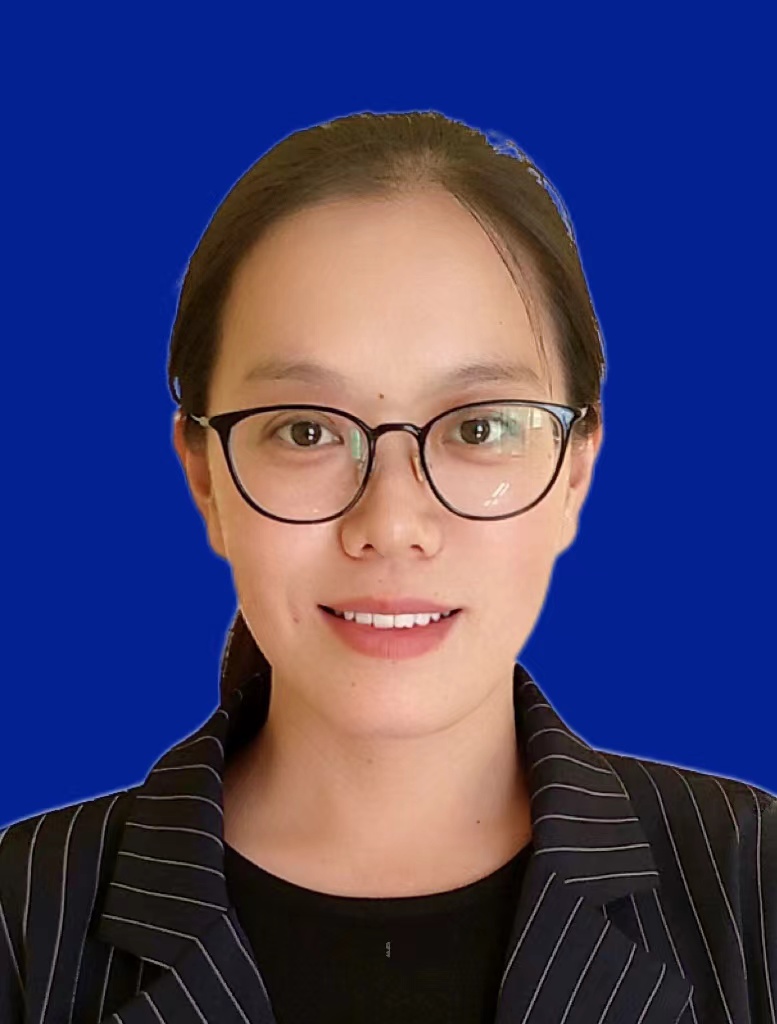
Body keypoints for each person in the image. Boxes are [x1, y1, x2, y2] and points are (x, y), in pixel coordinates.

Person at [0, 110, 774, 1024]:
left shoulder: (752, 886)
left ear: (575, 471)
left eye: (479, 427)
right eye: (305, 431)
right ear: (204, 476)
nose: (392, 523)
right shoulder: (22, 919)